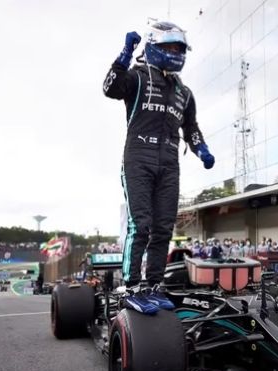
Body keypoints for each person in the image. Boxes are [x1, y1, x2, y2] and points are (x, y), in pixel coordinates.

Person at [103, 21, 214, 313]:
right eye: (171, 47)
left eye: (180, 48)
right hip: (138, 156)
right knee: (141, 225)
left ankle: (153, 285)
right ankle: (130, 287)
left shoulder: (185, 93)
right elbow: (110, 88)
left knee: (164, 229)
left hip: (170, 162)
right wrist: (126, 52)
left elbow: (191, 128)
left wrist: (202, 150)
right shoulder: (137, 76)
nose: (176, 52)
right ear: (154, 47)